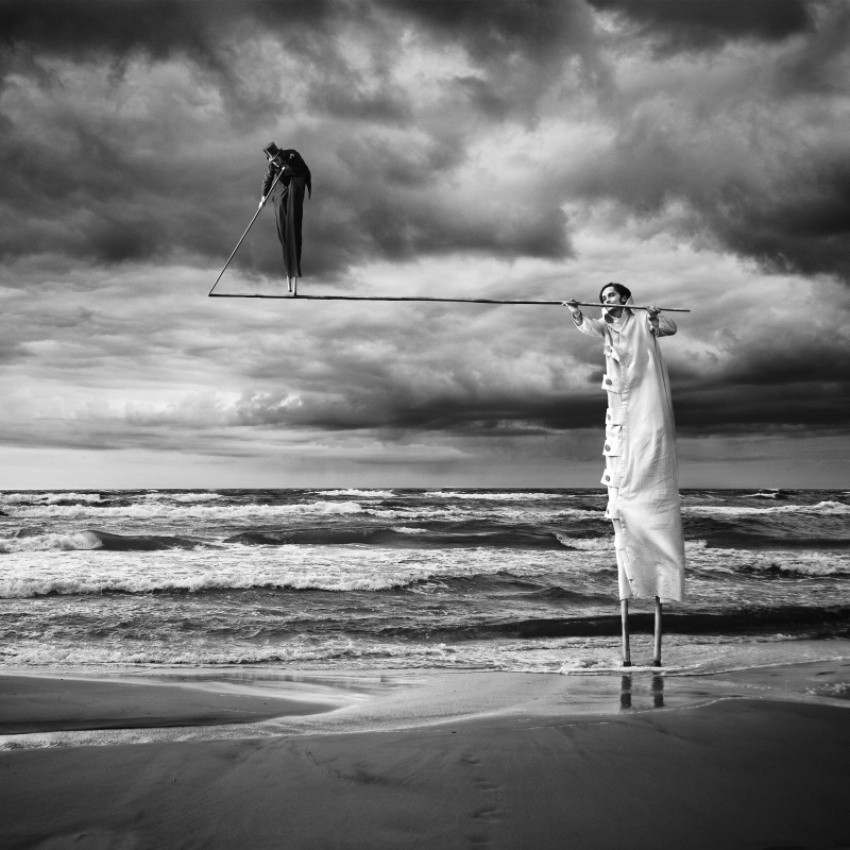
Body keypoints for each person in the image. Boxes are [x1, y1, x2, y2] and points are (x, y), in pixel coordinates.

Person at [565, 283, 686, 666]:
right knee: (624, 492)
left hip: (645, 396)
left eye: (612, 297)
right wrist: (576, 313)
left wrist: (654, 316)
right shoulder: (606, 324)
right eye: (603, 298)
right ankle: (628, 653)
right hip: (622, 406)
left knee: (650, 449)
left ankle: (655, 649)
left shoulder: (641, 321)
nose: (606, 302)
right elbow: (590, 327)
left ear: (625, 299)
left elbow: (670, 328)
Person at [260, 143, 311, 295]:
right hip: (283, 185)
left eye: (276, 160)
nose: (275, 163)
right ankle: (288, 271)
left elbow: (303, 170)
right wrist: (263, 199)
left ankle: (295, 272)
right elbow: (267, 180)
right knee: (281, 210)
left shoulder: (292, 155)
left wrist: (290, 169)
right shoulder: (273, 166)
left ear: (280, 156)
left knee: (293, 220)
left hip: (298, 180)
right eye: (272, 161)